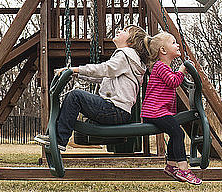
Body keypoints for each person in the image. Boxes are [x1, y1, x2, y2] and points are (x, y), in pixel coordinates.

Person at [35, 24, 149, 151]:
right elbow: (102, 77)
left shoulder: (126, 54)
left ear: (131, 41)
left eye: (124, 31)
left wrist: (75, 69)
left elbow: (105, 69)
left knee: (75, 96)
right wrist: (76, 73)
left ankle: (59, 139)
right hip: (119, 112)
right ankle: (56, 137)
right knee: (75, 97)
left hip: (113, 109)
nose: (119, 31)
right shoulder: (131, 59)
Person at [142, 32, 202, 185]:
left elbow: (172, 80)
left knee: (175, 133)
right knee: (177, 133)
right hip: (155, 111)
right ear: (163, 50)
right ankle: (183, 169)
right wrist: (182, 70)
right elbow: (173, 81)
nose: (177, 45)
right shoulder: (160, 66)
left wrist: (181, 72)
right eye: (174, 43)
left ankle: (171, 166)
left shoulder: (163, 67)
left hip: (157, 111)